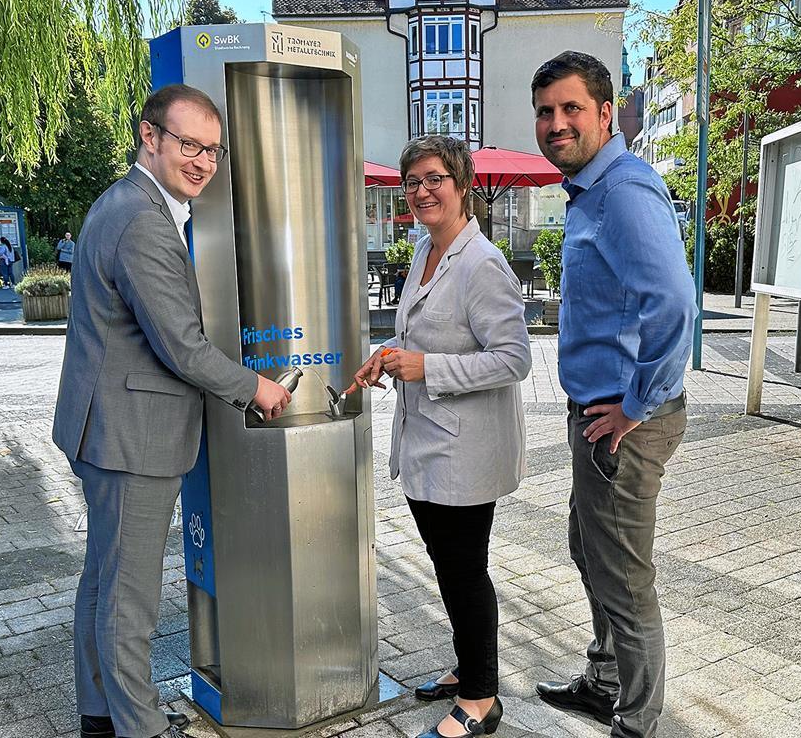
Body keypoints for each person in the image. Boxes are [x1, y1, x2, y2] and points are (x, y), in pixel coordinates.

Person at [52, 83, 291, 738]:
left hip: (106, 428)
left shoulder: (128, 205)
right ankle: (140, 730)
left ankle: (100, 718)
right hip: (132, 439)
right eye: (190, 144)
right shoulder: (141, 221)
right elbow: (182, 346)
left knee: (103, 583)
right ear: (149, 137)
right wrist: (257, 387)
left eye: (213, 150)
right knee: (128, 604)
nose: (203, 161)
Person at [530, 51, 696, 738]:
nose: (556, 123)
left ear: (606, 113)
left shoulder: (622, 191)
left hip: (623, 422)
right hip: (599, 417)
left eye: (571, 109)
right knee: (586, 546)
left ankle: (637, 722)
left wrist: (636, 405)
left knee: (625, 581)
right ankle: (604, 682)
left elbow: (677, 306)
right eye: (545, 111)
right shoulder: (591, 193)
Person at [350, 136, 531, 738]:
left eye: (434, 179)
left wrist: (427, 367)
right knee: (449, 565)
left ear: (461, 185)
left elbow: (513, 360)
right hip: (427, 440)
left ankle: (482, 698)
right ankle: (467, 667)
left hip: (466, 448)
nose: (422, 191)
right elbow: (425, 337)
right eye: (413, 182)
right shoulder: (427, 251)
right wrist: (391, 356)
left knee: (463, 569)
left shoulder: (483, 264)